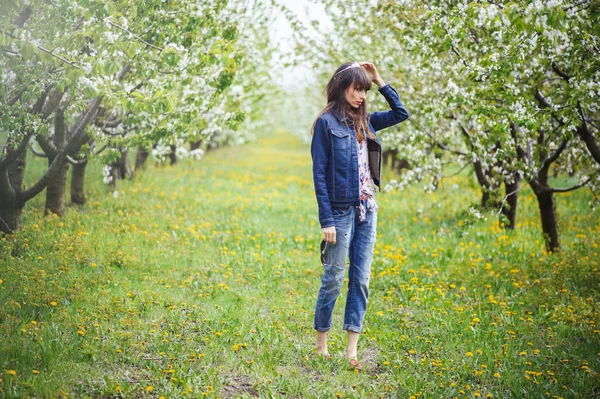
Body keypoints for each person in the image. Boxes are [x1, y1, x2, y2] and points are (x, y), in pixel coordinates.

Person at [310, 61, 409, 370]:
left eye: (366, 90)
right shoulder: (326, 124)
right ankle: (321, 344)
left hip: (368, 210)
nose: (362, 95)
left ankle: (351, 350)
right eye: (358, 88)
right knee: (334, 278)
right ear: (342, 87)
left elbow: (401, 113)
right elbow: (319, 175)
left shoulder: (367, 121)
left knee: (361, 279)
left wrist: (379, 80)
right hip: (339, 212)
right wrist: (326, 219)